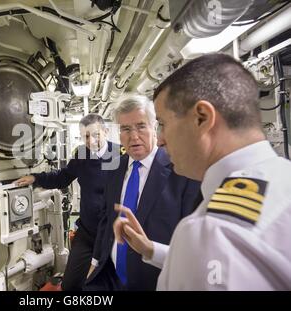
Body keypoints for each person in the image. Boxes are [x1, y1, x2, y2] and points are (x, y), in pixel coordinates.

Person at [113, 53, 291, 290]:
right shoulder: (283, 177)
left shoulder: (210, 233)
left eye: (163, 124)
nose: (162, 139)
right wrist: (151, 250)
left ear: (202, 118)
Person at [84, 95, 201, 291]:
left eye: (141, 126)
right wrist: (95, 263)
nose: (134, 136)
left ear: (154, 127)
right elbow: (106, 220)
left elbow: (194, 244)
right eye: (126, 129)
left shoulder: (181, 171)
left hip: (156, 281)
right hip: (111, 279)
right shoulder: (115, 169)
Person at [15, 113, 121, 291]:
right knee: (71, 284)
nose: (90, 140)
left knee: (109, 285)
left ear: (105, 131)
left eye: (95, 134)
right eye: (86, 136)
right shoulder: (81, 155)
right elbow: (63, 177)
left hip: (112, 236)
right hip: (87, 234)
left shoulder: (120, 156)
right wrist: (35, 178)